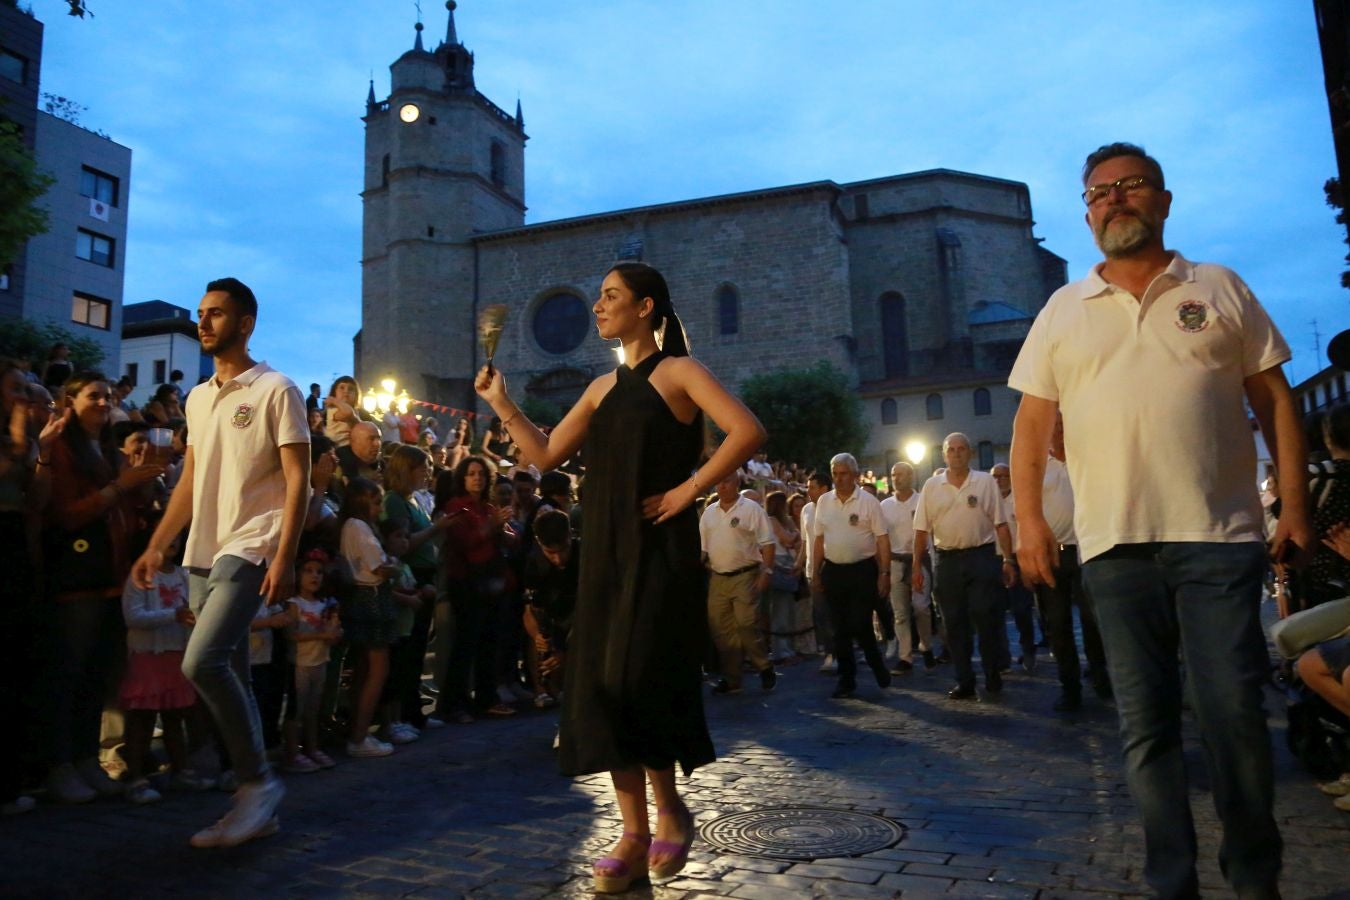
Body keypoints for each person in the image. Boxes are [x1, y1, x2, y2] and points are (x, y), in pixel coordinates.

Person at [1010, 143, 1312, 898]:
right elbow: (1029, 426)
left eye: (1130, 186)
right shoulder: (1061, 310)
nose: (1113, 200)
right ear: (1086, 214)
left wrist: (1297, 505)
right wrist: (1030, 523)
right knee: (1144, 731)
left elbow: (1276, 399)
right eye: (1098, 193)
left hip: (1217, 537)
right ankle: (1171, 883)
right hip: (1113, 546)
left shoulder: (1216, 286)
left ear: (1164, 201)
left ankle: (1254, 877)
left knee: (1234, 717)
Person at [473, 261, 765, 892]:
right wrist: (501, 402)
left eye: (610, 296)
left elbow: (747, 430)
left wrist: (690, 489)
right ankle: (633, 829)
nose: (599, 306)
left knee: (643, 675)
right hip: (602, 550)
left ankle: (670, 809)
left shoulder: (678, 372)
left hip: (658, 549)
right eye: (600, 297)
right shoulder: (601, 388)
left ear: (646, 307)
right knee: (601, 684)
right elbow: (546, 454)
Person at [130, 277, 310, 848]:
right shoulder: (198, 397)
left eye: (216, 314)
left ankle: (257, 783)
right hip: (201, 550)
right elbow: (190, 480)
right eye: (201, 313)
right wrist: (158, 543)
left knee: (201, 664)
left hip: (252, 542)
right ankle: (255, 800)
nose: (204, 323)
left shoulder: (277, 389)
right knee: (229, 670)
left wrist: (284, 552)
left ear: (246, 323)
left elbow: (300, 478)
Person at [44, 372, 164, 804]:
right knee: (70, 675)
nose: (104, 401)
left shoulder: (109, 451)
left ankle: (86, 761)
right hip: (78, 576)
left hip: (111, 576)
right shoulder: (60, 449)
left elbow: (129, 506)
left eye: (108, 395)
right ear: (70, 401)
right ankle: (59, 765)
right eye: (94, 395)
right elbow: (66, 514)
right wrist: (119, 486)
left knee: (96, 677)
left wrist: (143, 478)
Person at [912, 433, 1014, 700]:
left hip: (982, 556)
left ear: (970, 453)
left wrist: (1008, 559)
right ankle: (964, 680)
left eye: (961, 449)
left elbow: (1001, 524)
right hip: (947, 560)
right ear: (944, 455)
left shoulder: (985, 482)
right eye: (951, 450)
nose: (956, 454)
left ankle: (992, 674)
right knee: (954, 623)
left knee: (985, 616)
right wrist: (915, 567)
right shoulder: (932, 486)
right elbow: (921, 531)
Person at [1021, 413, 1109, 712]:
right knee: (1057, 625)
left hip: (1086, 550)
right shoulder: (1038, 467)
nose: (1057, 431)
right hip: (1052, 553)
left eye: (1061, 425)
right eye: (1053, 427)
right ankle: (1069, 686)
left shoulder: (1085, 458)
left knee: (1093, 620)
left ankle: (1101, 677)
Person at [118, 531, 211, 804]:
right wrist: (174, 615)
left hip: (176, 655)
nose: (172, 541)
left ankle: (181, 771)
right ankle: (135, 777)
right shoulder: (140, 576)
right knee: (143, 719)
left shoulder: (184, 576)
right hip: (148, 656)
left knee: (175, 716)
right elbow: (133, 616)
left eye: (175, 536)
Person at [810, 452, 892, 699]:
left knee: (860, 622)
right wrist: (815, 572)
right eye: (835, 473)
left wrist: (884, 572)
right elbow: (819, 539)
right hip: (834, 570)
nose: (838, 478)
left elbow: (882, 539)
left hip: (862, 570)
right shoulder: (824, 502)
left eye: (843, 473)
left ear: (855, 475)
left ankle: (876, 663)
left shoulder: (868, 502)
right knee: (839, 628)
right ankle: (847, 680)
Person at [337, 477, 401, 758]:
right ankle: (360, 736)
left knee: (364, 670)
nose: (379, 509)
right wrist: (395, 565)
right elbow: (379, 569)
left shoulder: (350, 526)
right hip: (371, 599)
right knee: (377, 670)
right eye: (376, 503)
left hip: (362, 599)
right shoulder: (359, 527)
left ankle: (357, 731)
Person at [699, 472, 776, 694]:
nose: (721, 486)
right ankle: (732, 678)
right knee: (721, 630)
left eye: (726, 481)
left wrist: (766, 572)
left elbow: (768, 543)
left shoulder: (751, 509)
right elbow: (704, 548)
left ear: (736, 483)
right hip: (718, 577)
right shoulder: (709, 513)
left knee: (746, 624)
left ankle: (763, 665)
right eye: (718, 482)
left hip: (745, 574)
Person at [283, 550, 341, 773]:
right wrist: (322, 636)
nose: (314, 576)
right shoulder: (294, 603)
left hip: (319, 661)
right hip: (299, 663)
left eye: (319, 572)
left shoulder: (325, 604)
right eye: (308, 571)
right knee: (296, 710)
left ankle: (312, 748)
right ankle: (292, 753)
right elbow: (292, 634)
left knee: (313, 709)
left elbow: (331, 635)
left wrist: (334, 633)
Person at [880, 461, 930, 673]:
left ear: (911, 476)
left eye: (901, 474)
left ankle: (926, 645)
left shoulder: (922, 502)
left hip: (919, 560)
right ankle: (905, 657)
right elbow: (880, 537)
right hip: (895, 561)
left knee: (921, 607)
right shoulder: (885, 506)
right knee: (900, 613)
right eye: (893, 475)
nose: (896, 478)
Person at [324, 376, 362, 449]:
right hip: (337, 447)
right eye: (342, 388)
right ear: (334, 393)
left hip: (351, 447)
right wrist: (333, 400)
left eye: (350, 389)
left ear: (356, 395)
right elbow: (348, 413)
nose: (346, 391)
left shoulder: (356, 412)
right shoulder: (333, 410)